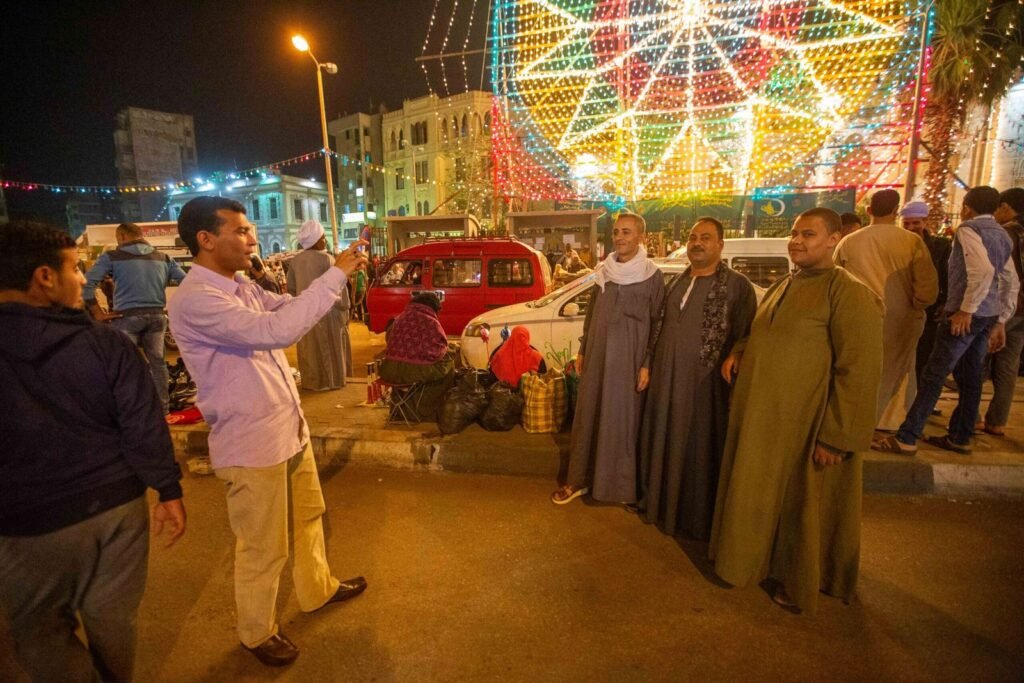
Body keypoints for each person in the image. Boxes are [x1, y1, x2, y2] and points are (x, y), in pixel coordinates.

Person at [167, 197, 368, 667]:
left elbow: (293, 310)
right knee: (263, 545)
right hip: (250, 441)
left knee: (308, 517)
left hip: (286, 428)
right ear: (206, 240)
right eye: (241, 231)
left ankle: (317, 589)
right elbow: (277, 331)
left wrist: (334, 276)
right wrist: (335, 273)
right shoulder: (199, 298)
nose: (252, 239)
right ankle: (256, 633)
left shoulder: (241, 286)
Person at [0, 220, 186, 681]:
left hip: (27, 523)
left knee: (40, 628)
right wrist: (167, 488)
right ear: (44, 277)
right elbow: (142, 424)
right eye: (74, 269)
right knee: (113, 619)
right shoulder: (105, 344)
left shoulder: (109, 334)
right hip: (116, 509)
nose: (84, 279)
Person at [709, 208, 883, 614]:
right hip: (767, 422)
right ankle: (756, 565)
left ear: (833, 239)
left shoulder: (848, 292)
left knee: (804, 507)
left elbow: (858, 371)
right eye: (793, 233)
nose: (797, 241)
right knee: (766, 499)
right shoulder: (786, 284)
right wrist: (739, 352)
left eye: (808, 234)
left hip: (807, 428)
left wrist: (836, 436)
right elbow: (761, 331)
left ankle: (802, 582)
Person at [875, 187, 1019, 455]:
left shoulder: (968, 230)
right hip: (988, 314)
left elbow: (984, 271)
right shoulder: (1002, 233)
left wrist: (966, 309)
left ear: (966, 207)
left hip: (965, 315)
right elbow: (1009, 279)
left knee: (934, 374)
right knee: (971, 375)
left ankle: (907, 437)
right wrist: (1000, 318)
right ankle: (960, 436)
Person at [638, 218, 757, 541]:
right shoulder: (676, 282)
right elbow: (658, 327)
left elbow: (747, 334)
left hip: (704, 388)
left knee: (697, 447)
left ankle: (693, 517)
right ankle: (659, 506)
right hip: (666, 381)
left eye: (706, 238)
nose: (697, 243)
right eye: (692, 237)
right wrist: (648, 364)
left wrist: (737, 354)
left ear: (720, 244)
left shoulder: (736, 286)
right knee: (664, 440)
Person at [551, 212, 666, 505]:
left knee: (622, 422)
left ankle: (620, 488)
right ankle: (578, 480)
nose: (620, 237)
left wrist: (647, 363)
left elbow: (658, 323)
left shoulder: (652, 276)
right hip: (599, 359)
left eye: (626, 232)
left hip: (629, 363)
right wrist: (584, 349)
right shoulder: (605, 271)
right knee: (588, 416)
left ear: (641, 236)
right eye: (616, 232)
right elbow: (591, 315)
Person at [834, 190, 938, 432]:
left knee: (858, 371)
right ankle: (887, 423)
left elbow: (834, 279)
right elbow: (927, 289)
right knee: (897, 373)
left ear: (869, 211)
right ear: (895, 211)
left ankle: (855, 421)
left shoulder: (848, 242)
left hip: (858, 317)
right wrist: (916, 306)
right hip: (901, 318)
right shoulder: (912, 242)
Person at [83, 221, 187, 413]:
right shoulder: (163, 258)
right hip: (157, 316)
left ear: (122, 236)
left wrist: (97, 312)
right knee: (158, 364)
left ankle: (131, 411)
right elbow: (188, 282)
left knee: (125, 365)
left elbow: (87, 285)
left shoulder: (112, 257)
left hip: (126, 317)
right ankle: (162, 410)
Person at [287, 220, 354, 390]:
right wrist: (345, 309)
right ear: (317, 240)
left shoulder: (295, 262)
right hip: (329, 313)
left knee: (310, 351)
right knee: (331, 350)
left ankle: (313, 383)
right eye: (323, 237)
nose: (325, 241)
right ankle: (332, 382)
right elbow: (340, 288)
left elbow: (292, 290)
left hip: (305, 314)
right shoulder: (327, 259)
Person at [979, 187, 1024, 435]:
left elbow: (998, 274)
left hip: (1004, 308)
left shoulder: (1005, 234)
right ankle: (997, 421)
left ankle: (970, 417)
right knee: (1008, 367)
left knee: (976, 360)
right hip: (1022, 313)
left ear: (1006, 207)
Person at [378, 291, 455, 422]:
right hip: (411, 372)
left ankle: (403, 407)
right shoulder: (430, 321)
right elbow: (440, 350)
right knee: (448, 365)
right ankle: (427, 409)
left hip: (388, 370)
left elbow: (390, 341)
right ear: (434, 308)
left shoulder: (400, 318)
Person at [901, 200, 953, 387]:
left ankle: (918, 401)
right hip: (902, 308)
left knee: (923, 357)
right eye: (906, 223)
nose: (911, 227)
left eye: (915, 223)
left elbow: (947, 275)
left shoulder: (940, 246)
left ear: (925, 221)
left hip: (929, 310)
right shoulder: (898, 244)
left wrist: (945, 302)